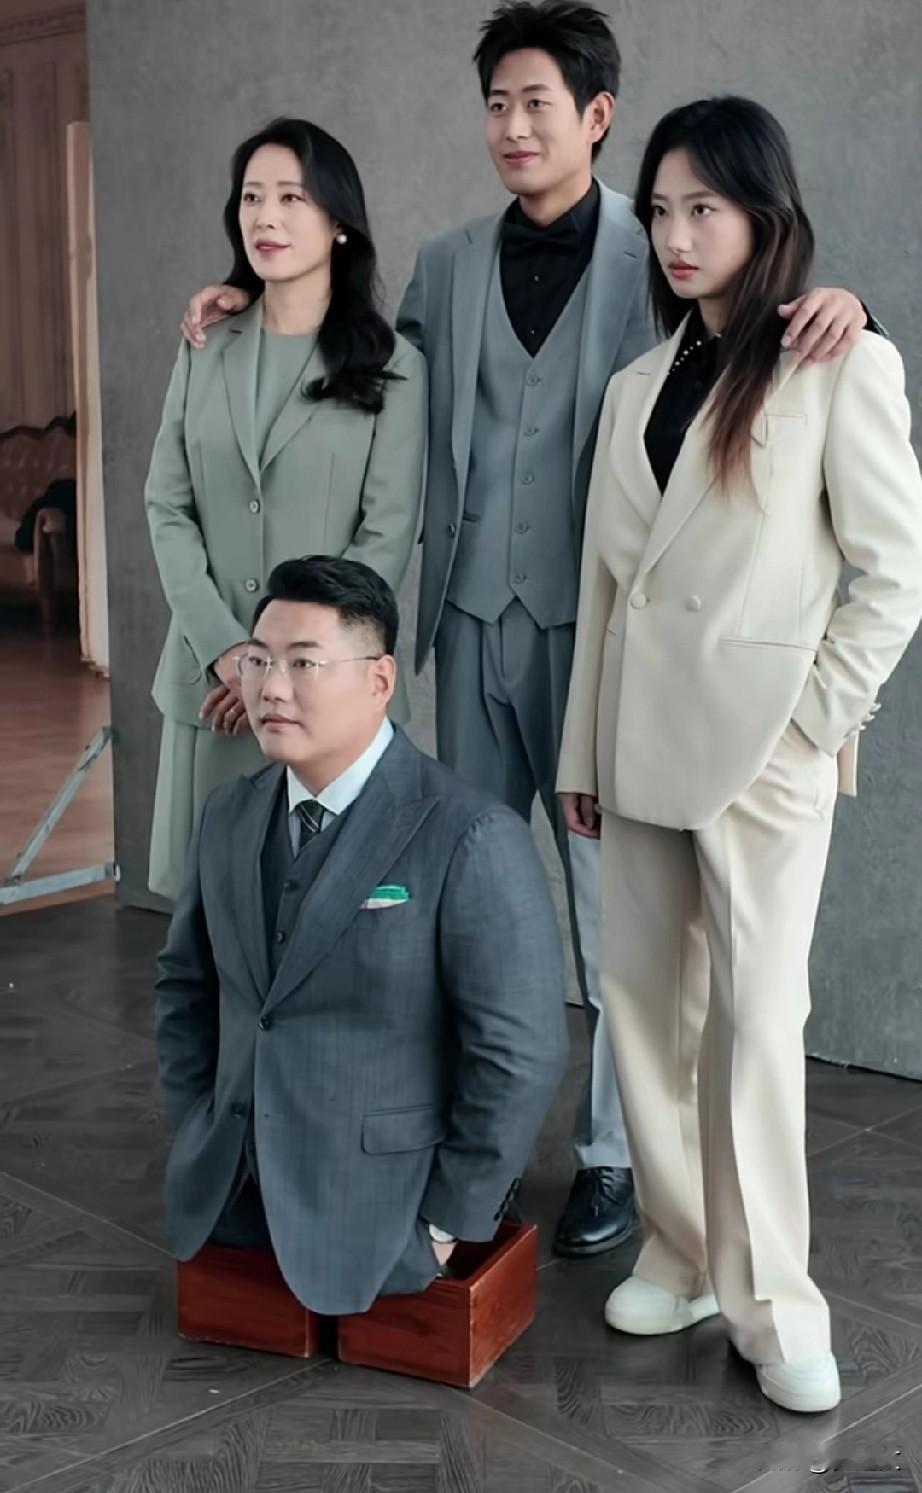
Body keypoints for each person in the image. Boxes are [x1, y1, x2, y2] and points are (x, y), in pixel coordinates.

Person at [175, 2, 870, 1262]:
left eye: (537, 102)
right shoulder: (444, 263)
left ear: (596, 116)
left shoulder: (666, 248)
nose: (512, 126)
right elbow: (362, 365)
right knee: (444, 899)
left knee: (615, 915)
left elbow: (753, 339)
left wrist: (843, 303)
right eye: (495, 102)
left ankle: (610, 1154)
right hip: (466, 624)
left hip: (611, 641)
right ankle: (466, 1156)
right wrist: (255, 285)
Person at [557, 95, 922, 1414]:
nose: (674, 233)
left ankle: (776, 1301)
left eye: (702, 206)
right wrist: (580, 751)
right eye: (659, 209)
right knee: (646, 1014)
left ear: (764, 214)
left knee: (758, 1027)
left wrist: (813, 722)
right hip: (637, 740)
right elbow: (607, 592)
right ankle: (680, 1252)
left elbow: (893, 574)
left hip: (763, 751)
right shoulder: (633, 388)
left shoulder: (836, 360)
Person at [155, 555, 569, 1315]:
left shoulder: (470, 834)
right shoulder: (228, 814)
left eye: (304, 663)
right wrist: (199, 1130)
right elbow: (185, 991)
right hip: (232, 1203)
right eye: (259, 660)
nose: (271, 688)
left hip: (385, 1215)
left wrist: (446, 1224)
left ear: (380, 681)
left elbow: (521, 1053)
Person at [145, 118, 426, 900]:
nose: (265, 216)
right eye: (251, 197)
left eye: (292, 198)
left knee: (329, 916)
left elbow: (386, 534)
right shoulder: (207, 343)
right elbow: (166, 503)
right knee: (208, 920)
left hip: (328, 694)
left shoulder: (394, 367)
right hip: (212, 688)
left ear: (339, 222)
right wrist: (229, 650)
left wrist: (282, 663)